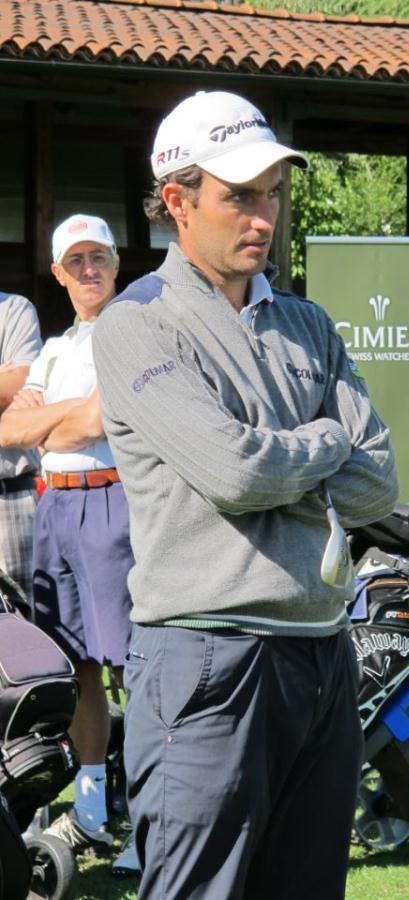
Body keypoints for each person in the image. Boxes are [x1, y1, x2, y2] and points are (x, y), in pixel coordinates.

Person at [92, 89, 398, 900]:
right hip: (207, 660)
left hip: (322, 652)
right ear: (177, 203)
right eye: (238, 197)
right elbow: (236, 475)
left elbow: (378, 484)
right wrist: (324, 440)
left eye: (270, 194)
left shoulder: (310, 324)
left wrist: (283, 458)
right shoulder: (138, 324)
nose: (262, 217)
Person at [0, 215, 134, 863]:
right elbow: (11, 429)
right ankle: (88, 809)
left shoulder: (137, 333)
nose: (88, 270)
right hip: (57, 510)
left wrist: (50, 421)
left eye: (98, 258)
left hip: (117, 506)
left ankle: (151, 817)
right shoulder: (54, 349)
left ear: (115, 264)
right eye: (75, 260)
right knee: (77, 665)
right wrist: (62, 418)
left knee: (135, 668)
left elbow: (93, 423)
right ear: (58, 272)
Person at [0, 292, 42, 603]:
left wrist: (9, 383)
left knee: (25, 624)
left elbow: (15, 387)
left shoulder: (14, 309)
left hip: (9, 499)